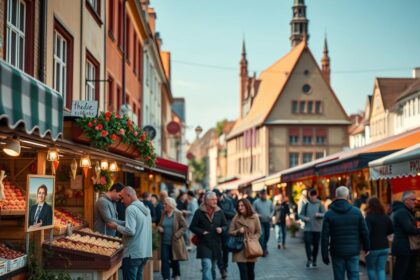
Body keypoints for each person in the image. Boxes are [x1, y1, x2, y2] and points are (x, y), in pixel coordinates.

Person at [321, 186, 369, 280]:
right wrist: (366, 247)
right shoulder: (356, 212)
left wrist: (324, 254)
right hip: (353, 251)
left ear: (336, 196)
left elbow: (324, 236)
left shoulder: (329, 214)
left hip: (337, 251)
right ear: (347, 196)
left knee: (339, 277)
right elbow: (364, 231)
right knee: (354, 276)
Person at [107, 186, 153, 280]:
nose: (122, 201)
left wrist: (116, 226)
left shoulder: (131, 209)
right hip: (144, 252)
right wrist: (119, 222)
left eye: (123, 198)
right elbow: (138, 224)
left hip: (132, 253)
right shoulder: (145, 207)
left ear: (129, 195)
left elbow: (130, 231)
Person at [189, 191, 228, 280]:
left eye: (216, 199)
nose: (215, 201)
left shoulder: (219, 211)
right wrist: (202, 232)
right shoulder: (199, 212)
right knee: (207, 265)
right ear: (206, 201)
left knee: (213, 267)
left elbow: (225, 225)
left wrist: (221, 229)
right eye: (213, 199)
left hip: (216, 243)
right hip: (204, 243)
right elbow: (192, 227)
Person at [229, 199, 261, 280]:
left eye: (242, 205)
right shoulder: (236, 218)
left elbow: (258, 232)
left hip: (251, 247)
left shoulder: (254, 217)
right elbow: (230, 232)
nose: (240, 207)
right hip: (239, 247)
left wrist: (253, 240)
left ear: (247, 206)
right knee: (243, 271)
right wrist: (238, 231)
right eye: (238, 206)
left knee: (251, 271)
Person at [391, 191, 420, 280]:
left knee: (408, 273)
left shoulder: (407, 211)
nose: (415, 201)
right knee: (401, 273)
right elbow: (409, 229)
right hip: (404, 248)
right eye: (413, 199)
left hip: (408, 247)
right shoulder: (402, 212)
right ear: (406, 200)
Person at [157, 197, 188, 280]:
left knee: (174, 259)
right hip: (164, 242)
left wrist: (177, 235)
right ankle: (166, 277)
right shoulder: (163, 213)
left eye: (165, 204)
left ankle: (176, 275)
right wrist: (160, 228)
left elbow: (185, 227)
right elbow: (160, 224)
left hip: (175, 241)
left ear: (170, 205)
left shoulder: (178, 214)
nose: (164, 206)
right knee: (164, 260)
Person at [364, 197, 393, 280]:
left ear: (369, 205)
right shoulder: (385, 216)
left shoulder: (369, 217)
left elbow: (367, 233)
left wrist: (364, 247)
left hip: (372, 247)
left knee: (371, 269)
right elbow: (392, 229)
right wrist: (383, 234)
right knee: (381, 269)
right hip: (385, 246)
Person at [299, 189, 325, 268]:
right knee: (307, 243)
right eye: (311, 196)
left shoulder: (320, 204)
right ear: (309, 196)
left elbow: (325, 214)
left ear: (316, 196)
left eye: (314, 196)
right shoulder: (306, 204)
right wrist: (304, 218)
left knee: (316, 245)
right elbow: (300, 215)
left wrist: (319, 214)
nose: (313, 197)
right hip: (307, 228)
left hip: (317, 229)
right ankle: (309, 258)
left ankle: (314, 260)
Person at [214, 188, 236, 279]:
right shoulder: (213, 202)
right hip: (216, 231)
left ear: (220, 195)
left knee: (226, 250)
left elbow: (233, 214)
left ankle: (225, 267)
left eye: (216, 198)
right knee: (218, 251)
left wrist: (222, 212)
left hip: (226, 229)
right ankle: (221, 269)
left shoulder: (229, 201)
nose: (215, 200)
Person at [252, 190, 273, 257]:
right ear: (260, 195)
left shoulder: (269, 202)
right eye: (262, 194)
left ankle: (265, 247)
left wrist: (271, 215)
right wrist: (257, 214)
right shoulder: (256, 202)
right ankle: (263, 250)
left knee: (267, 236)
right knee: (262, 236)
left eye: (265, 194)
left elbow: (273, 210)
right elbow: (253, 211)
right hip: (260, 222)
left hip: (267, 221)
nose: (264, 196)